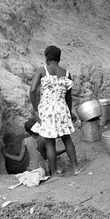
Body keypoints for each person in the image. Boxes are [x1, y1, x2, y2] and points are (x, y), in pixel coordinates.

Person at [30, 45, 81, 176]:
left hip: (46, 110)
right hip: (62, 108)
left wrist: (36, 110)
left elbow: (33, 90)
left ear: (47, 58)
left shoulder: (42, 71)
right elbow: (68, 98)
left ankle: (54, 173)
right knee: (67, 138)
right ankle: (76, 168)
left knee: (50, 142)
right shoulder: (67, 74)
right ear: (59, 58)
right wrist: (69, 113)